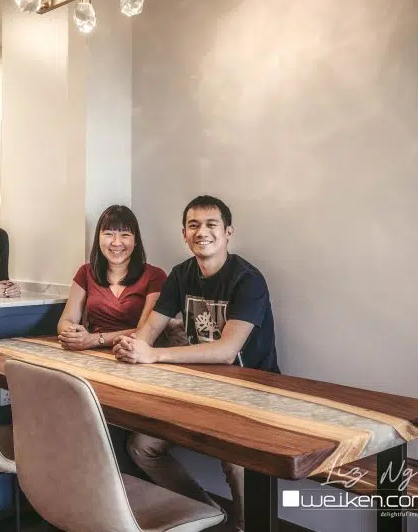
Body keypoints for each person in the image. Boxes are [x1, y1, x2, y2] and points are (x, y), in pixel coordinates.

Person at [112, 195, 279, 531]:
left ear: (228, 232)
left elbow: (226, 351)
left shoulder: (248, 279)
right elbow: (149, 332)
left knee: (239, 462)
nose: (202, 232)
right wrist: (133, 346)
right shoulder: (180, 274)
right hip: (200, 389)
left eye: (211, 224)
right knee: (141, 447)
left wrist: (153, 354)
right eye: (193, 225)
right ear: (184, 234)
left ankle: (246, 526)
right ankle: (207, 514)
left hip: (253, 392)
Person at [57, 205, 168, 351]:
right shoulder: (85, 272)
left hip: (137, 353)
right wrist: (73, 334)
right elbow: (67, 319)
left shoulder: (155, 276)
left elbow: (145, 331)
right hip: (92, 354)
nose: (116, 242)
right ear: (98, 238)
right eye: (109, 234)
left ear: (135, 241)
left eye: (125, 235)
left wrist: (95, 340)